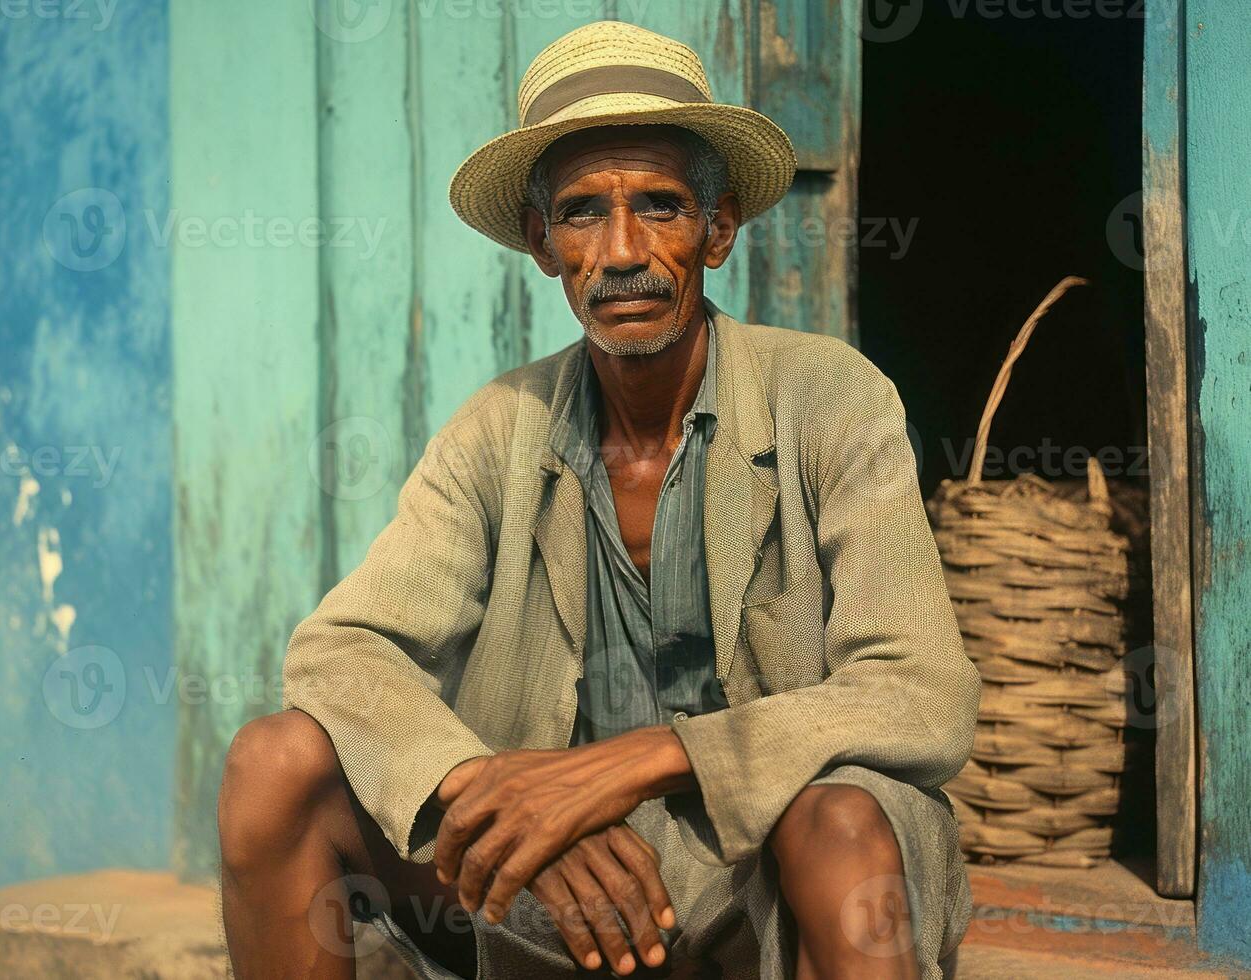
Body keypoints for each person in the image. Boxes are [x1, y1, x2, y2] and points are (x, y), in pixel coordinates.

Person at [218, 20, 980, 980]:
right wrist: (485, 787)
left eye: (659, 205)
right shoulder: (499, 427)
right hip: (559, 878)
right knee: (272, 768)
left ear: (717, 228)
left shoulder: (827, 397)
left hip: (756, 873)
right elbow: (340, 651)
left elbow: (923, 693)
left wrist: (643, 759)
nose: (622, 251)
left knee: (841, 819)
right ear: (541, 243)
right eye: (581, 213)